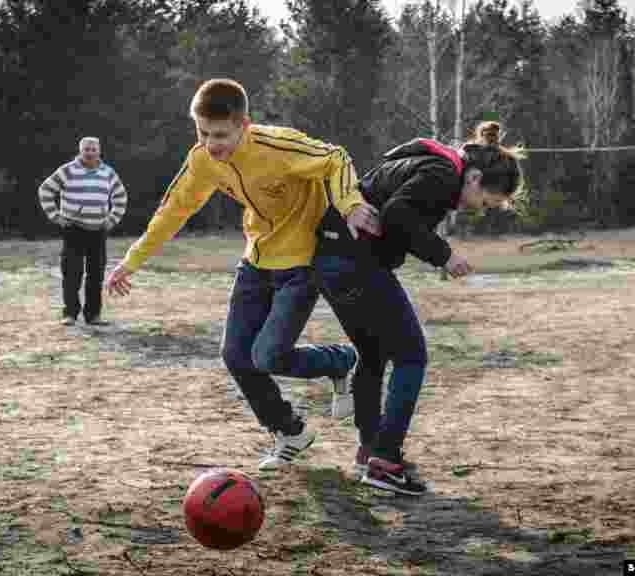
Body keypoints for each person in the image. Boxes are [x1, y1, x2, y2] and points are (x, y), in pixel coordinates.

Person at [104, 78, 381, 470]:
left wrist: (350, 203)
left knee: (267, 355)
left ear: (244, 125)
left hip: (300, 266)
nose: (211, 143)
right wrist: (131, 261)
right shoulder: (202, 159)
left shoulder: (277, 146)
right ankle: (289, 431)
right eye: (202, 132)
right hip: (255, 264)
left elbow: (335, 157)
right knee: (235, 355)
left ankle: (339, 360)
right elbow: (173, 210)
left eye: (220, 134)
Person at [312, 120, 525, 495]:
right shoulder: (443, 176)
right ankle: (385, 461)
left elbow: (391, 210)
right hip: (356, 263)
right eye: (486, 201)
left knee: (373, 355)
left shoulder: (431, 163)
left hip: (330, 260)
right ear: (474, 178)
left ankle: (369, 453)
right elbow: (397, 216)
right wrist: (444, 255)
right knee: (412, 355)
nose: (480, 208)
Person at [39, 137, 127, 326]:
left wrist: (111, 220)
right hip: (73, 229)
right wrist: (56, 216)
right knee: (72, 273)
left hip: (98, 231)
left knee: (96, 274)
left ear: (99, 151)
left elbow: (120, 197)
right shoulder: (67, 170)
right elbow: (45, 190)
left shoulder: (108, 172)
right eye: (86, 149)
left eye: (93, 149)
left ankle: (93, 316)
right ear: (80, 151)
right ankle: (70, 314)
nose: (90, 152)